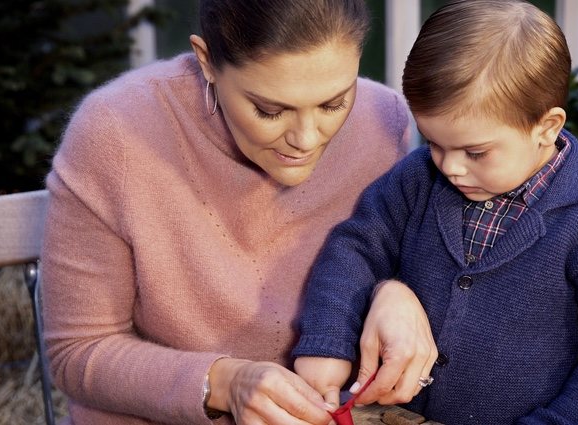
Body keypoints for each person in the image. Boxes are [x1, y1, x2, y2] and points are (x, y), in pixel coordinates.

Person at [39, 1, 439, 424]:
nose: (305, 139)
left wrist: (395, 292)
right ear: (207, 61)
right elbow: (78, 352)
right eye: (270, 110)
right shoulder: (115, 134)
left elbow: (394, 257)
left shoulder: (383, 120)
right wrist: (226, 383)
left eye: (333, 104)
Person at [293, 1, 578, 423]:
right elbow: (356, 249)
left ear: (547, 127)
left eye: (475, 151)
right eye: (433, 143)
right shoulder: (418, 179)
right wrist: (326, 343)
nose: (449, 166)